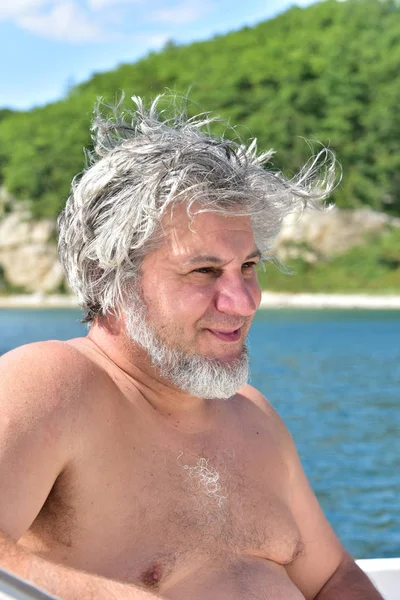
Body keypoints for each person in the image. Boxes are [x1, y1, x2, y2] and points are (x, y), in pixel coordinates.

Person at [0, 95, 383, 600]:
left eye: (248, 267)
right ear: (109, 278)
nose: (243, 301)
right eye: (204, 271)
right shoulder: (54, 384)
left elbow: (333, 577)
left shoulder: (253, 416)